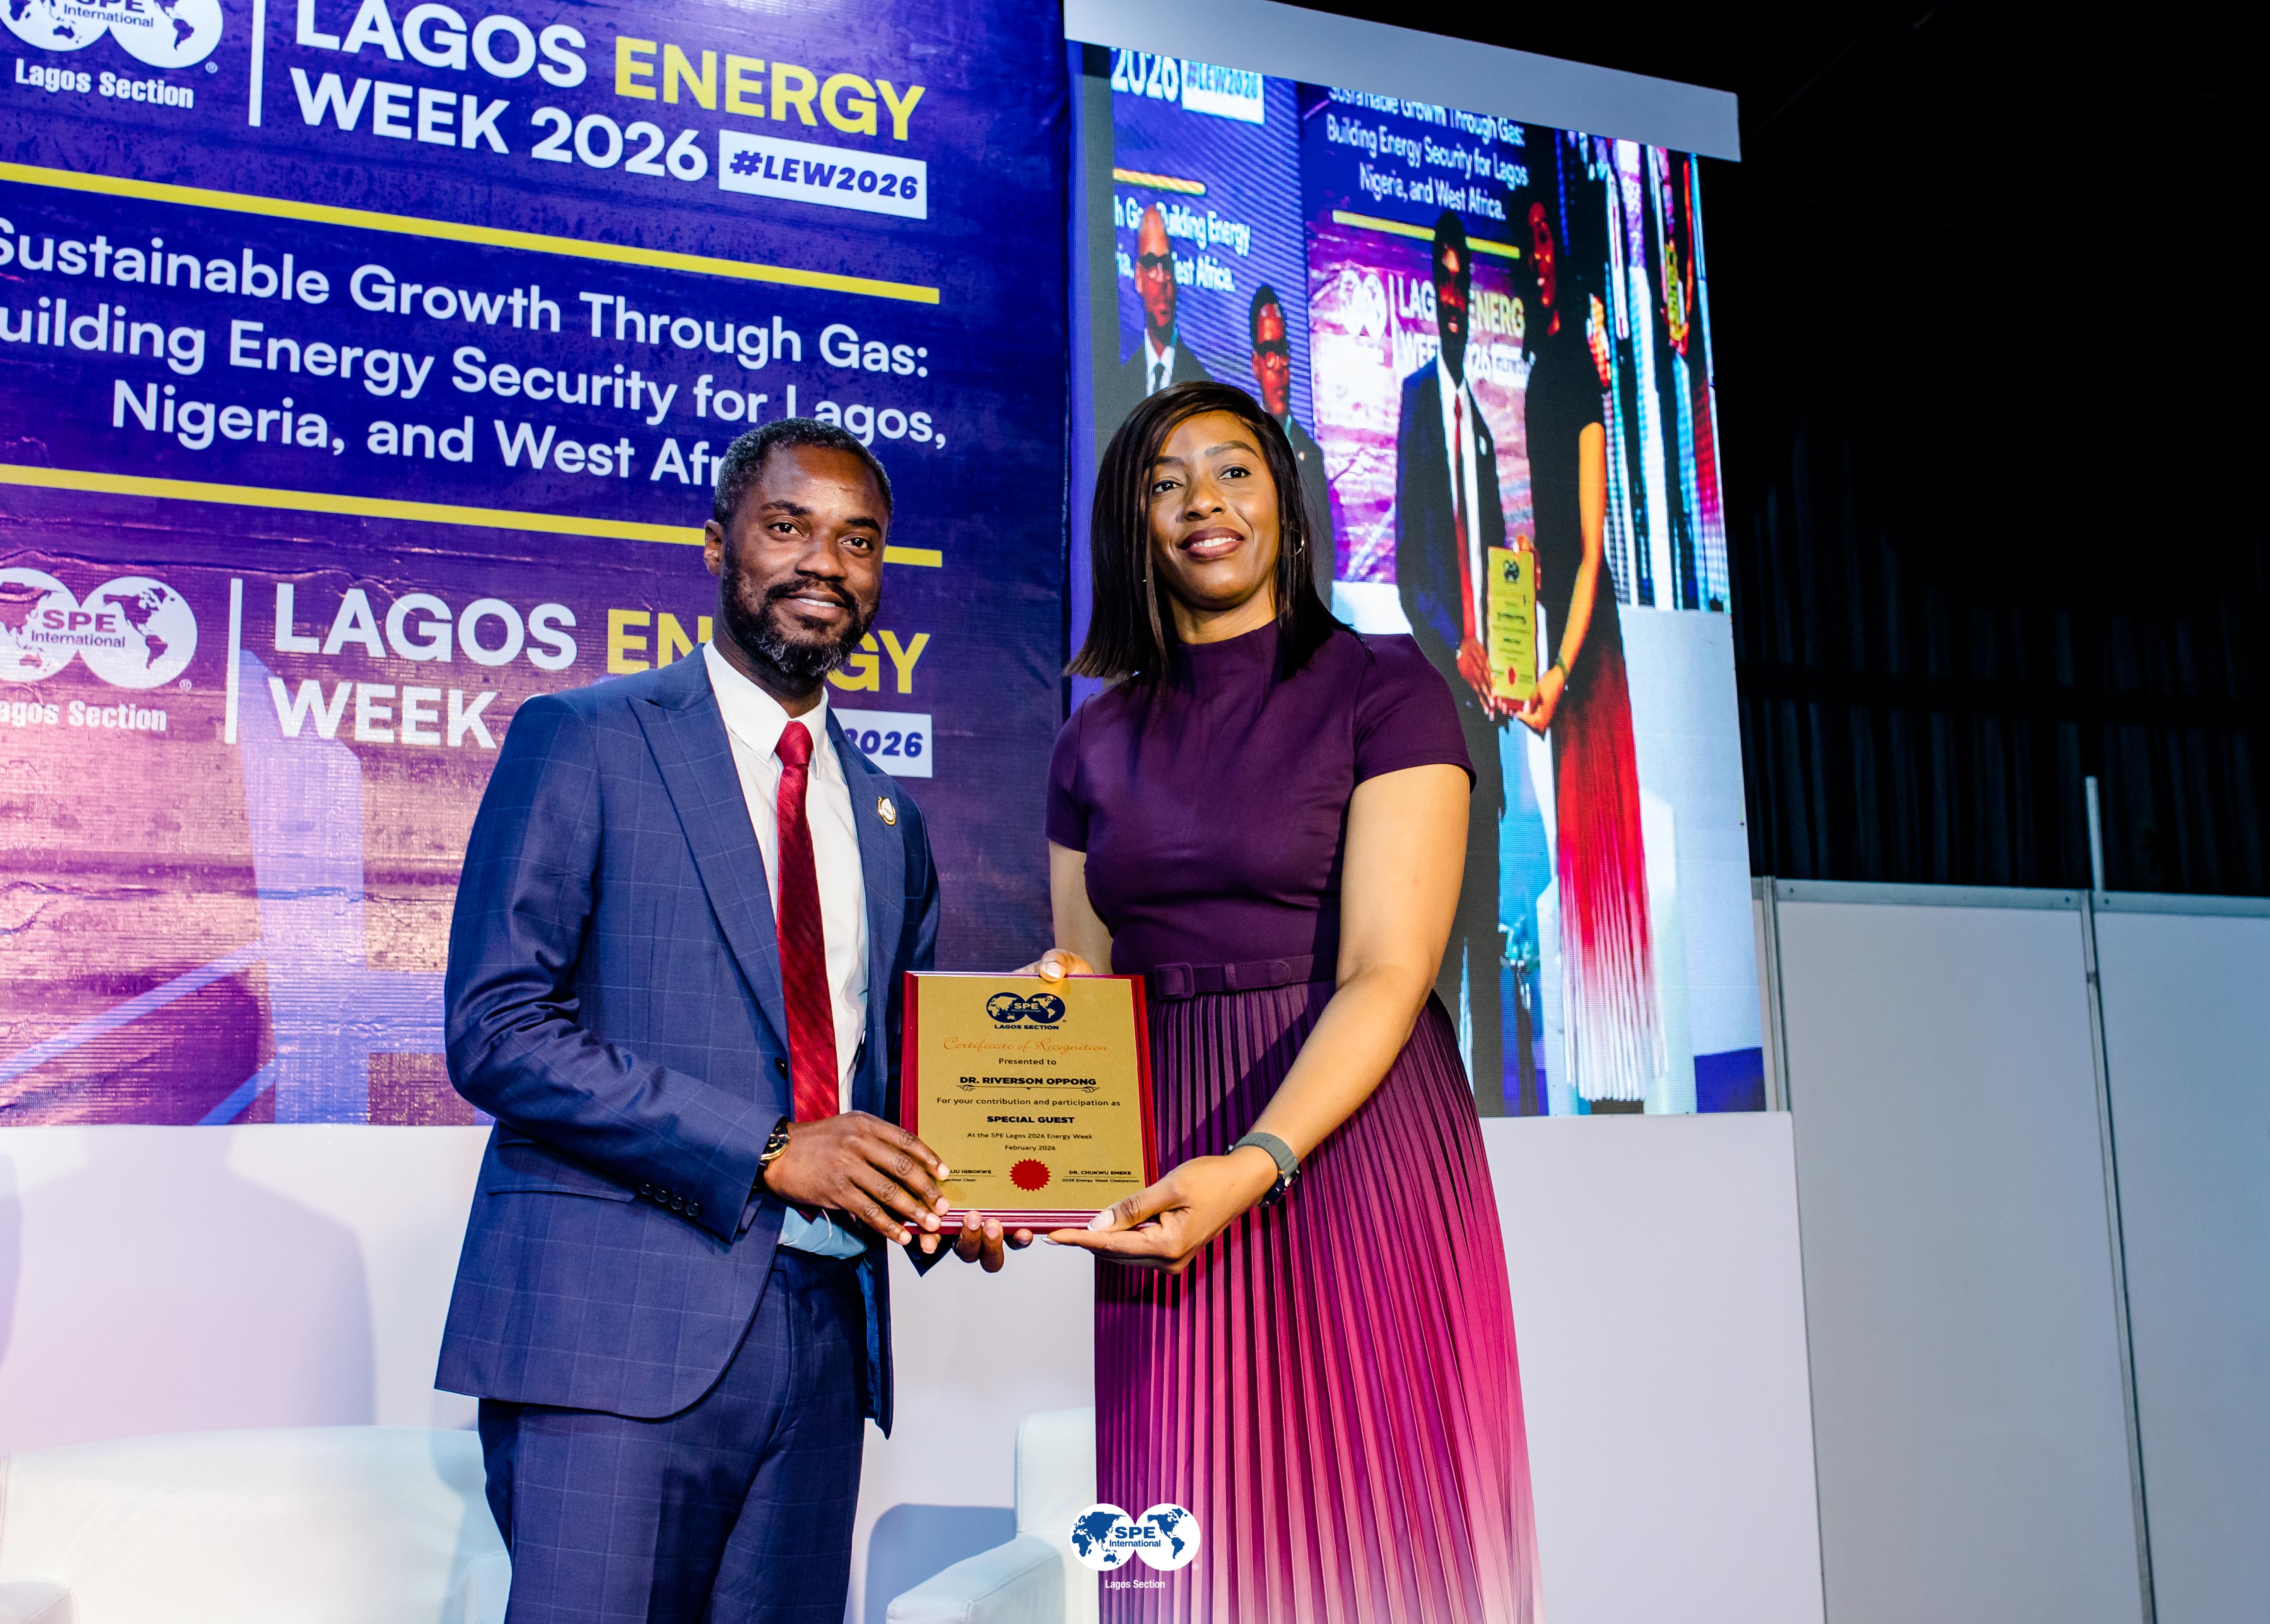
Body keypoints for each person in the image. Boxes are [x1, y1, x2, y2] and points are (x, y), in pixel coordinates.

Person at [437, 419, 1023, 1624]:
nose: (826, 564)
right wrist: (766, 1147)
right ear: (718, 545)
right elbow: (497, 1025)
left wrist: (971, 1169)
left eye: (858, 540)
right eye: (789, 526)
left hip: (825, 1345)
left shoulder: (889, 819)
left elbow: (883, 1085)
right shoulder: (587, 738)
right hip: (616, 1337)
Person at [1033, 380, 1544, 1621]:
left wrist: (1259, 1159)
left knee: (1377, 1529)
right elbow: (1085, 982)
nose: (1202, 502)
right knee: (1183, 1533)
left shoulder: (1385, 685)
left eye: (1233, 471)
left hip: (1349, 1135)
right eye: (1165, 483)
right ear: (1130, 524)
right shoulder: (1090, 740)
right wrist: (1037, 1041)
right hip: (1167, 1158)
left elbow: (1389, 970)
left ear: (1287, 504)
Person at [1515, 201, 1664, 1109]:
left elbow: (1592, 551)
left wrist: (1562, 669)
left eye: (1545, 241)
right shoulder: (1544, 373)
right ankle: (1606, 1085)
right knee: (1582, 873)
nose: (1534, 261)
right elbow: (1559, 543)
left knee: (1603, 866)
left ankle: (1620, 1090)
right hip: (1562, 651)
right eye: (1524, 243)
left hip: (1589, 658)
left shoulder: (1574, 370)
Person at [1393, 210, 1506, 1113]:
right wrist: (1457, 649)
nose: (1455, 297)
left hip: (1491, 722)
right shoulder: (1415, 401)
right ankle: (1437, 1114)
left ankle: (1494, 1110)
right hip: (1438, 713)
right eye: (1444, 280)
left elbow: (1496, 558)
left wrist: (1508, 638)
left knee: (1486, 929)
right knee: (1433, 948)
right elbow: (1409, 567)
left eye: (1465, 281)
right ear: (1431, 295)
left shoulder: (1485, 427)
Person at [1247, 282, 1336, 614]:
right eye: (1270, 351)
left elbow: (1323, 556)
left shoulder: (1310, 455)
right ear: (1256, 363)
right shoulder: (1241, 448)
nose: (1279, 365)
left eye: (1283, 349)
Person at [1099, 202, 1212, 433]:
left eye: (1167, 265)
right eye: (1152, 265)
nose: (1162, 278)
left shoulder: (1202, 386)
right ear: (1139, 278)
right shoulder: (1116, 389)